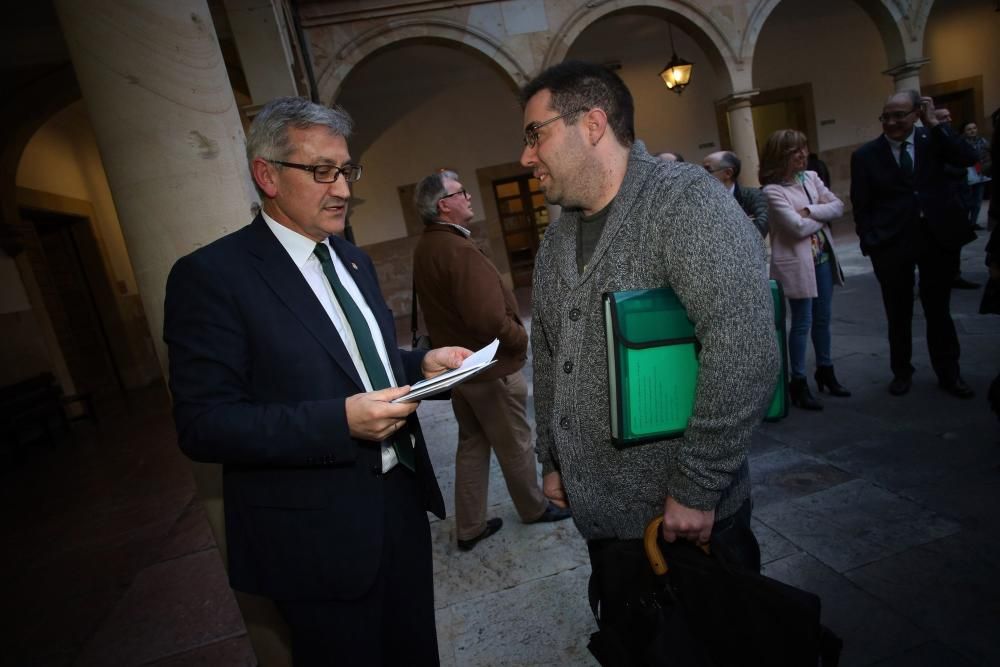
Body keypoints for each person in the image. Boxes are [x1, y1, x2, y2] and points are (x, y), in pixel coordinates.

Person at [163, 97, 471, 666]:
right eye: (321, 171)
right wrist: (340, 423)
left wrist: (417, 366)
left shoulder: (353, 260)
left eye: (345, 170)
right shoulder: (211, 277)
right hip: (313, 534)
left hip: (399, 503)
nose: (342, 189)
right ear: (267, 176)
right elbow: (204, 424)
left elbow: (354, 363)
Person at [518, 61, 778, 634]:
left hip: (685, 524)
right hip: (606, 528)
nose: (526, 156)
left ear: (591, 124)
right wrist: (553, 456)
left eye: (535, 134)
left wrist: (696, 487)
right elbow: (549, 348)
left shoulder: (685, 204)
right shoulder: (558, 236)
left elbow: (746, 349)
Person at [411, 170, 571, 552]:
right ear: (442, 205)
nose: (469, 197)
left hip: (460, 370)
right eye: (460, 191)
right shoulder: (456, 249)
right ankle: (534, 509)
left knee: (473, 443)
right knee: (514, 442)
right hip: (486, 369)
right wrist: (520, 338)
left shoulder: (429, 246)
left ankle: (469, 526)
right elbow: (486, 319)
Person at [850, 90, 978, 398]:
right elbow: (861, 204)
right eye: (886, 116)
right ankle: (901, 371)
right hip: (892, 243)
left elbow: (967, 157)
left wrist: (935, 123)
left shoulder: (933, 141)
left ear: (916, 114)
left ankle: (949, 372)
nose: (892, 122)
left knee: (939, 310)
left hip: (936, 237)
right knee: (898, 312)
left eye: (899, 115)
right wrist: (871, 242)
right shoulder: (866, 156)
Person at [759, 130, 849, 410]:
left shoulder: (811, 177)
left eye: (803, 148)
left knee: (824, 318)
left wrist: (809, 213)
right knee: (801, 323)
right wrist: (820, 216)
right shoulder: (772, 191)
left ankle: (826, 369)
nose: (802, 155)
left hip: (821, 259)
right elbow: (794, 228)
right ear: (779, 156)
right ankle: (798, 381)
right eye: (794, 151)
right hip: (796, 266)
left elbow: (838, 206)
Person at [703, 150, 769, 237]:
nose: (702, 175)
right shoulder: (702, 201)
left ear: (728, 173)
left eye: (708, 170)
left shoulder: (752, 196)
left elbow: (761, 227)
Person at [961, 120, 992, 231]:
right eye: (969, 129)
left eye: (974, 128)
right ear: (964, 132)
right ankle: (964, 223)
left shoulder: (983, 141)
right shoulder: (961, 142)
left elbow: (988, 154)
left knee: (978, 201)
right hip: (967, 174)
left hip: (981, 173)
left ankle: (973, 223)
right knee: (967, 201)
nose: (972, 131)